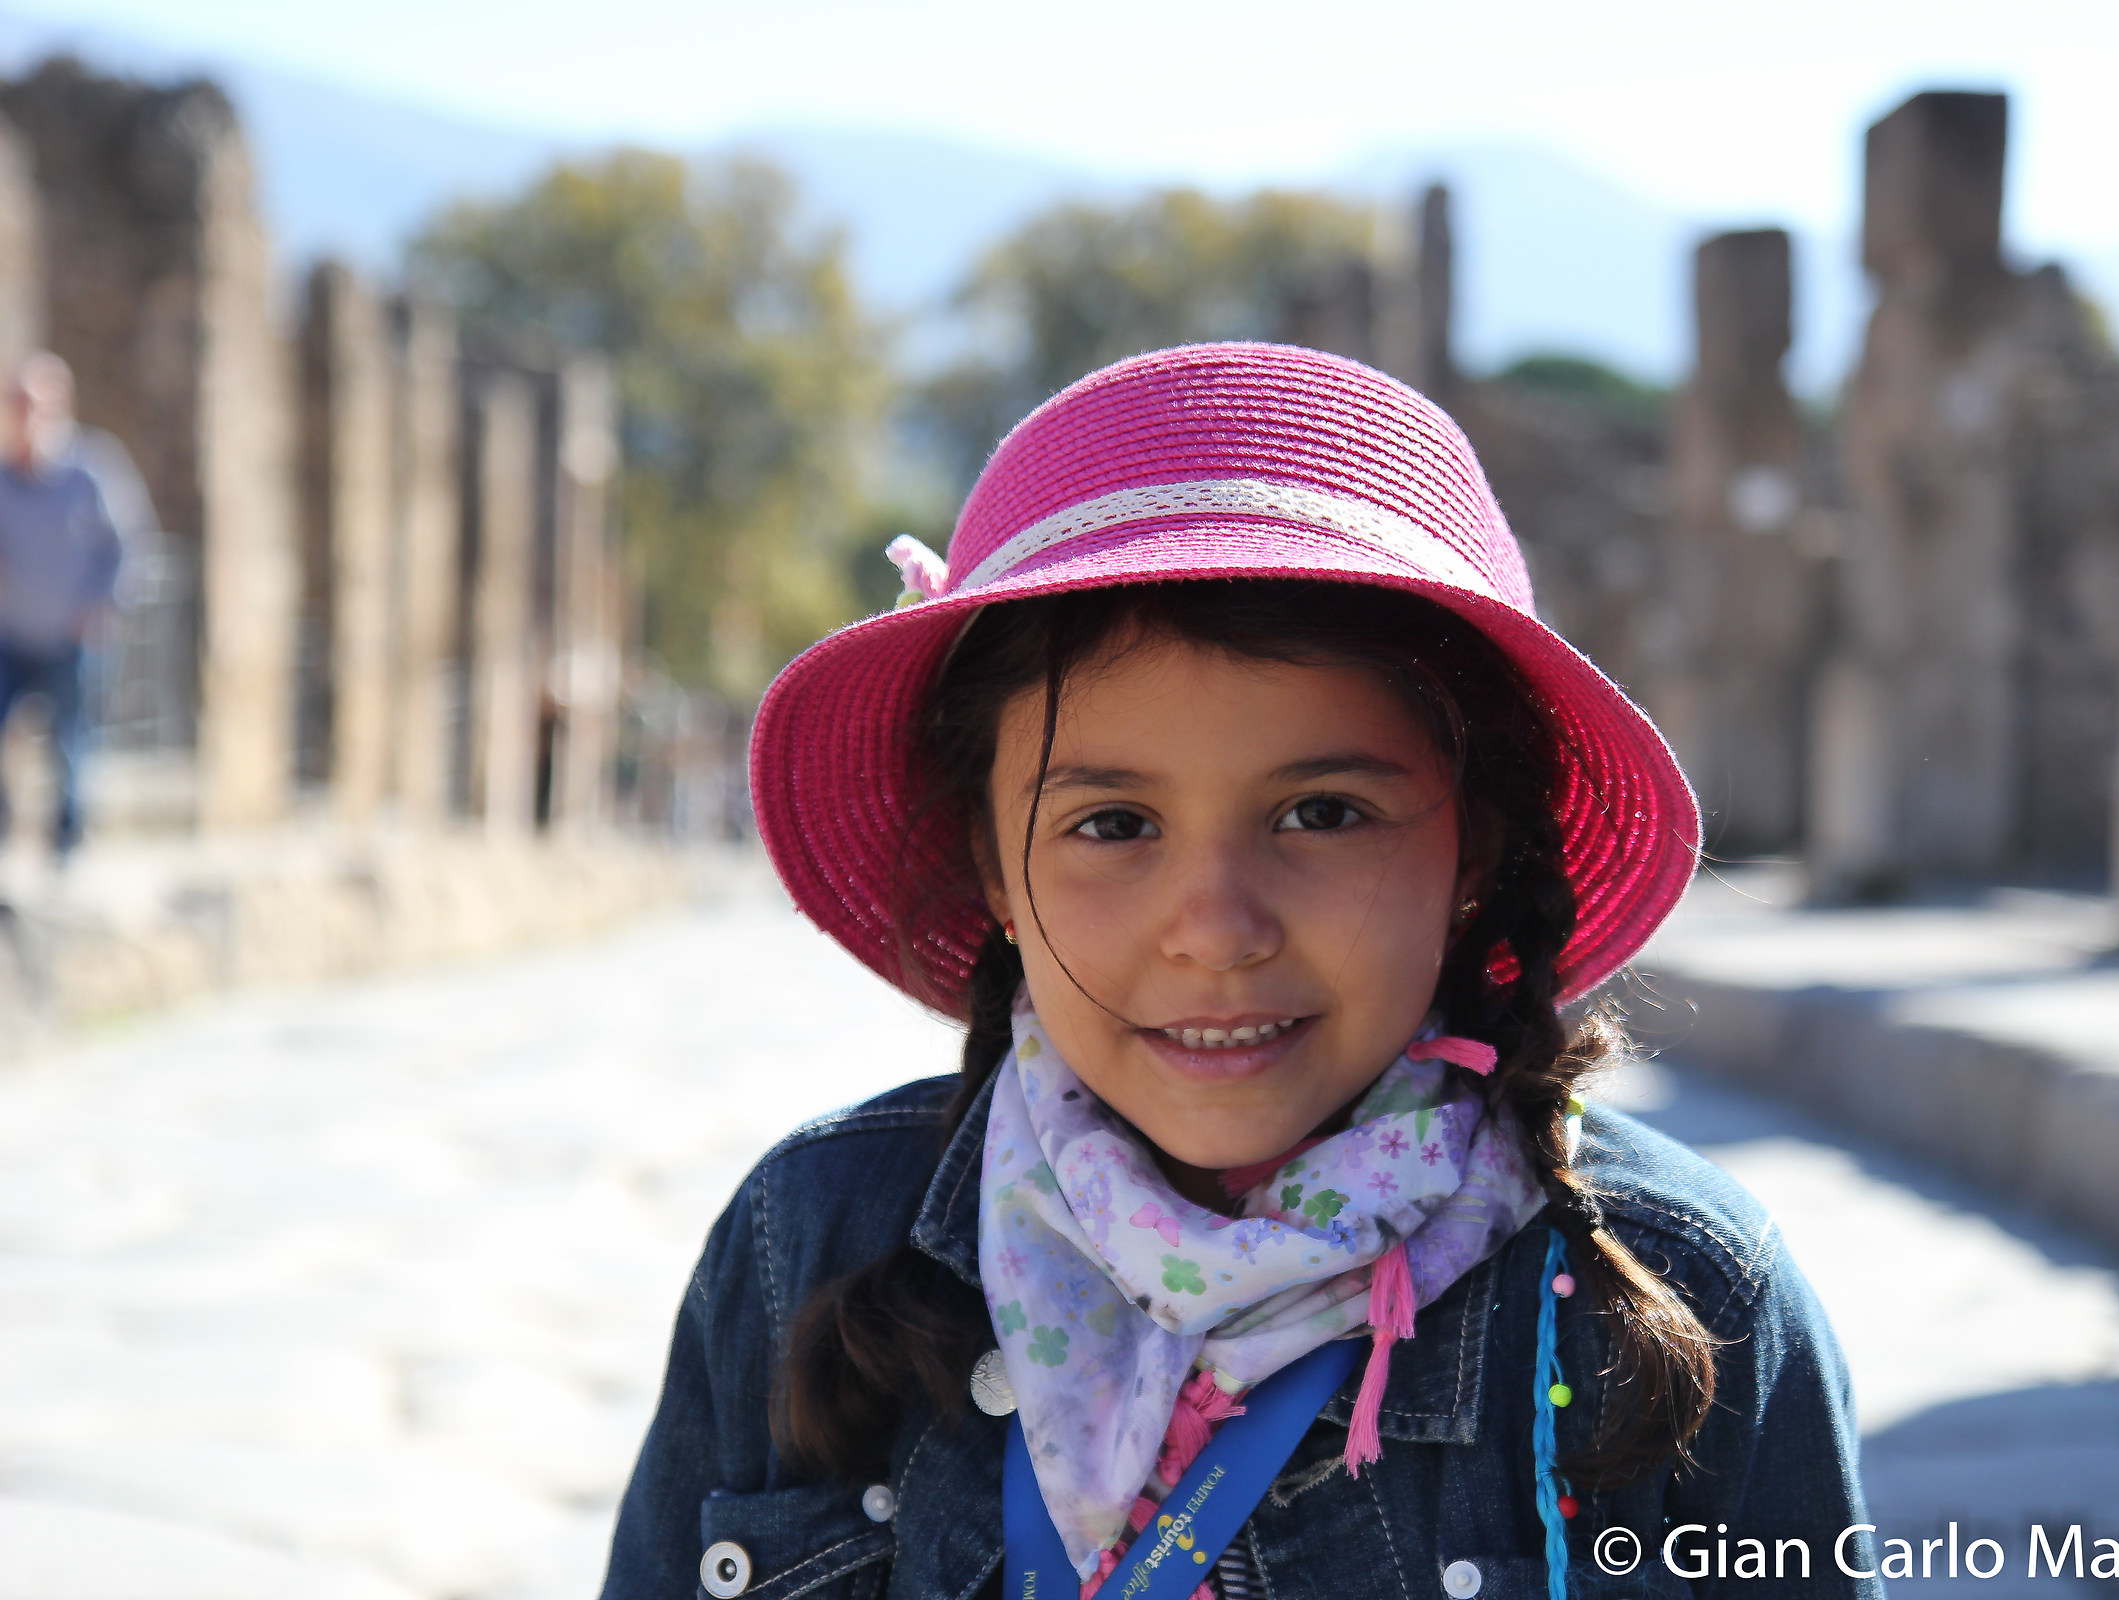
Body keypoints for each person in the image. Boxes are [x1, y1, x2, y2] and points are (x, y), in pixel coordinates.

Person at [603, 344, 1878, 1599]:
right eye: (1112, 825)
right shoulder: (808, 1246)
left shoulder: (1679, 1299)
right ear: (990, 859)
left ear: (1474, 842)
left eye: (1322, 813)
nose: (1216, 929)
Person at [0, 352, 134, 859]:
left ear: (60, 406)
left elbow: (125, 547)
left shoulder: (92, 471)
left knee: (70, 744)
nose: (24, 413)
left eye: (32, 403)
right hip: (11, 633)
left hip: (70, 636)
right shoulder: (3, 478)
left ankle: (67, 847)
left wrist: (101, 608)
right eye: (16, 403)